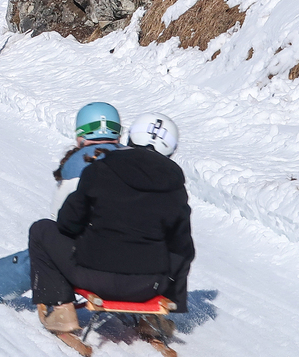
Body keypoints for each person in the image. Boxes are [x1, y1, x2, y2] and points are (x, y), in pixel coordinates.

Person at [27, 113, 194, 334]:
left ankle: (61, 310)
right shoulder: (176, 187)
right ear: (171, 150)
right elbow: (183, 248)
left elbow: (67, 223)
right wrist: (172, 297)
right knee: (178, 246)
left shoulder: (100, 168)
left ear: (129, 138)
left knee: (41, 229)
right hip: (148, 287)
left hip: (94, 278)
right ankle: (155, 319)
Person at [0, 102, 123, 304]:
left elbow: (59, 219)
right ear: (118, 134)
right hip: (133, 263)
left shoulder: (78, 163)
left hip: (90, 264)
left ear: (81, 135)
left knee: (44, 245)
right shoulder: (136, 159)